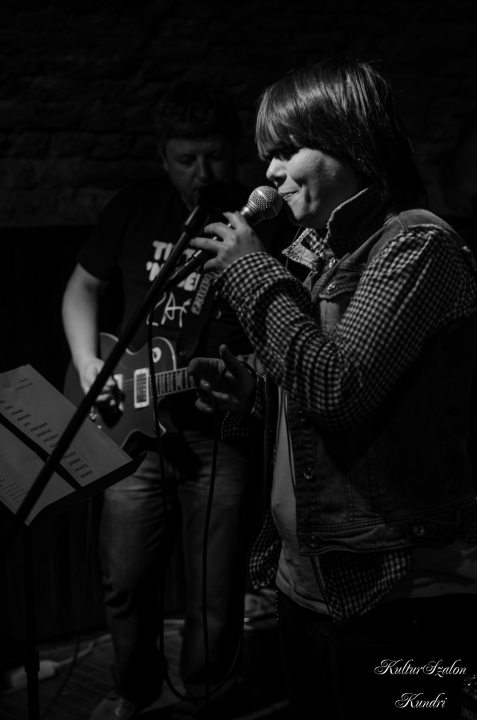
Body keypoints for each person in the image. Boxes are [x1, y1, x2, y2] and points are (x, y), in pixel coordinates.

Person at [188, 59, 477, 719]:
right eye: (267, 154)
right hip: (307, 581)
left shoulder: (415, 246)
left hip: (398, 596)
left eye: (288, 150)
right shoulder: (322, 253)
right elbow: (316, 396)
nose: (269, 171)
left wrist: (252, 271)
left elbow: (337, 389)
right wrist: (252, 392)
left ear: (351, 143)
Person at [62, 84, 291, 720]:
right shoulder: (136, 207)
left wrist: (250, 379)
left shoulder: (264, 225)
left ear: (233, 154)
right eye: (186, 159)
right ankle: (134, 692)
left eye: (214, 156)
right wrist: (87, 364)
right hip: (131, 424)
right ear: (163, 157)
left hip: (220, 431)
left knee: (215, 587)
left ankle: (206, 698)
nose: (202, 172)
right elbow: (81, 288)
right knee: (125, 578)